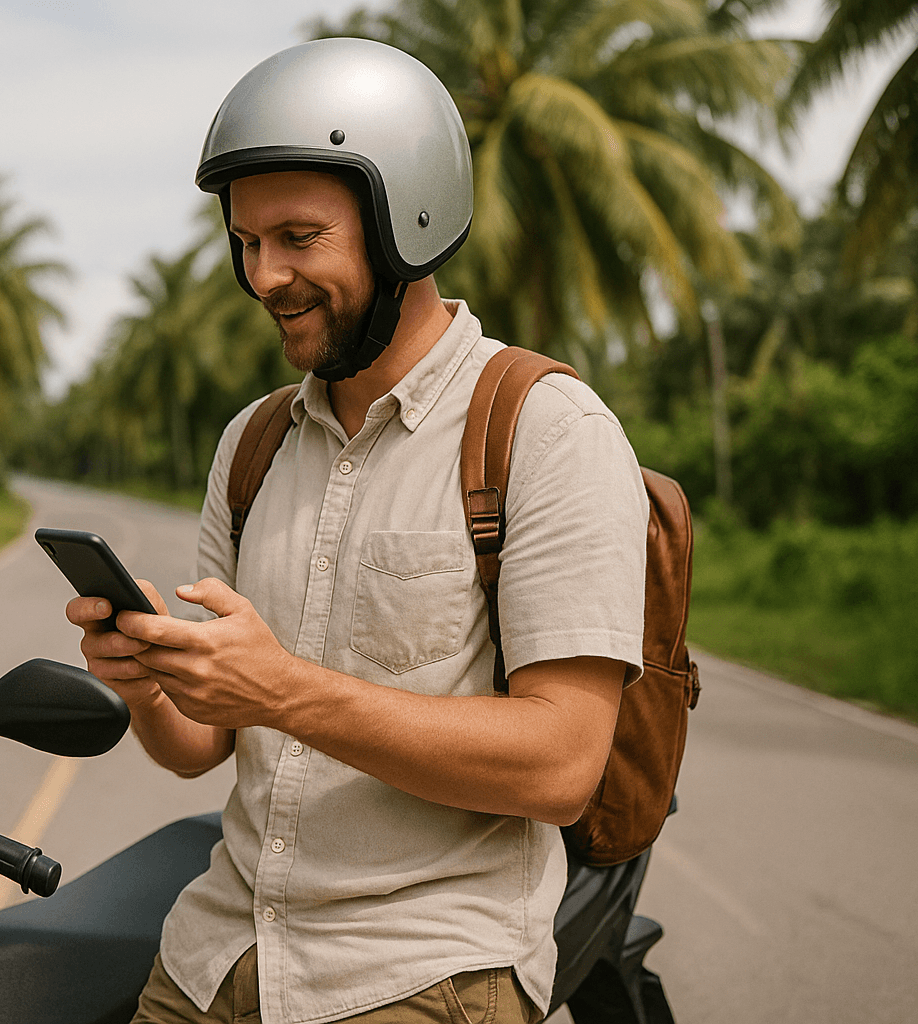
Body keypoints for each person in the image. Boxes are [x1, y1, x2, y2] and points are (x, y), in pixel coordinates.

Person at [66, 38, 648, 1024]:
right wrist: (154, 683)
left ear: (405, 224)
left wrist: (285, 690)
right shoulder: (251, 445)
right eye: (247, 243)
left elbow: (561, 763)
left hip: (422, 970)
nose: (265, 276)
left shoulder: (544, 426)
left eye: (299, 237)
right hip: (216, 952)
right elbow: (202, 746)